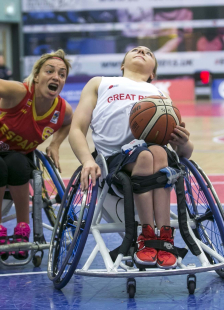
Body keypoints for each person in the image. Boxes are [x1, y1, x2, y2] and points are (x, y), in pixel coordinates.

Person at [69, 46, 194, 269]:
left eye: (149, 53)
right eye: (135, 50)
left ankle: (163, 237)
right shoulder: (100, 83)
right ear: (122, 65)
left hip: (153, 156)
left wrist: (183, 142)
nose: (141, 51)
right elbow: (77, 129)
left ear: (153, 73)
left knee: (156, 152)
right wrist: (87, 160)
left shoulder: (161, 95)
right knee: (147, 155)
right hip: (113, 160)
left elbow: (184, 154)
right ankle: (147, 234)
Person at [0, 49, 73, 260]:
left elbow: (69, 123)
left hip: (17, 155)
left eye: (61, 74)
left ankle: (23, 229)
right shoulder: (20, 92)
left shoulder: (62, 109)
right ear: (37, 76)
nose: (56, 77)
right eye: (49, 71)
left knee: (20, 164)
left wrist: (55, 144)